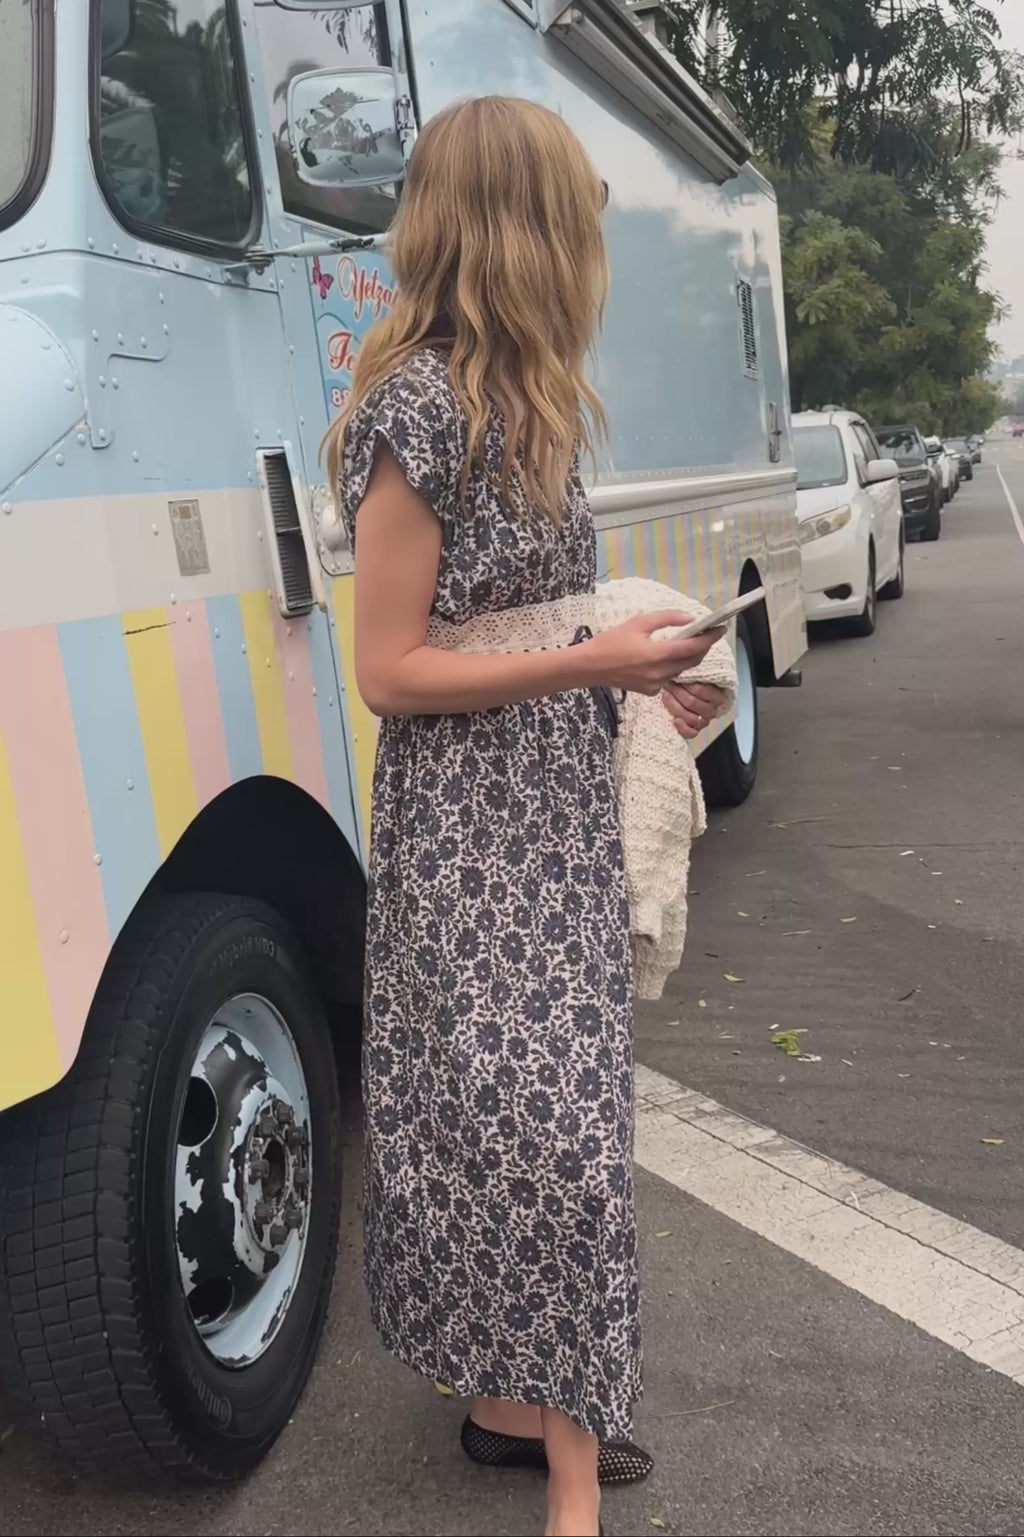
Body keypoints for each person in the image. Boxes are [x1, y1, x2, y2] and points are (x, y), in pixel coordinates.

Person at [324, 95, 728, 1537]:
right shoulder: (419, 411)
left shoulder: (533, 404)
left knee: (549, 1123)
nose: (592, 249)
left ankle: (518, 1410)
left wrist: (646, 675)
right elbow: (388, 670)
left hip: (553, 807)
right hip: (470, 832)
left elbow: (535, 617)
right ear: (521, 229)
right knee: (539, 1135)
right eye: (577, 219)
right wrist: (592, 663)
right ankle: (570, 1477)